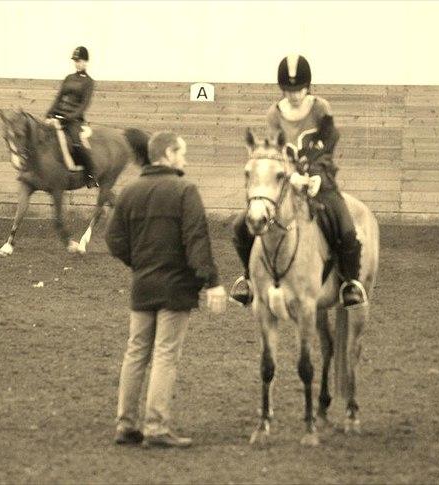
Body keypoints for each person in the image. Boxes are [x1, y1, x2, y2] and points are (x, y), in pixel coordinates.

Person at [105, 131, 227, 448]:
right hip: (176, 287)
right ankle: (156, 427)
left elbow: (114, 240)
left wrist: (140, 263)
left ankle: (126, 425)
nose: (184, 160)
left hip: (143, 284)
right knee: (165, 354)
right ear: (170, 153)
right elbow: (196, 240)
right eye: (182, 153)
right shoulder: (185, 191)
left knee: (135, 353)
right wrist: (212, 282)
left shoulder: (130, 192)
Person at [230, 54, 366, 308]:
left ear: (308, 86)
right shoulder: (274, 113)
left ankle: (350, 282)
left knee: (345, 226)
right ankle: (248, 279)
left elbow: (329, 144)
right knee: (240, 226)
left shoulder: (320, 109)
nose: (294, 95)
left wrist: (315, 174)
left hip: (319, 178)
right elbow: (274, 151)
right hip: (286, 181)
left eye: (299, 89)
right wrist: (291, 175)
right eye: (289, 90)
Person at [45, 45, 97, 188]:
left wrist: (67, 117)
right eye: (76, 61)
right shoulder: (68, 78)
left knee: (77, 142)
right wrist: (49, 113)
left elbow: (83, 106)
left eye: (80, 61)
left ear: (86, 62)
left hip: (74, 120)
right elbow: (58, 97)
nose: (78, 63)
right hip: (58, 115)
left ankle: (91, 174)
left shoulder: (88, 82)